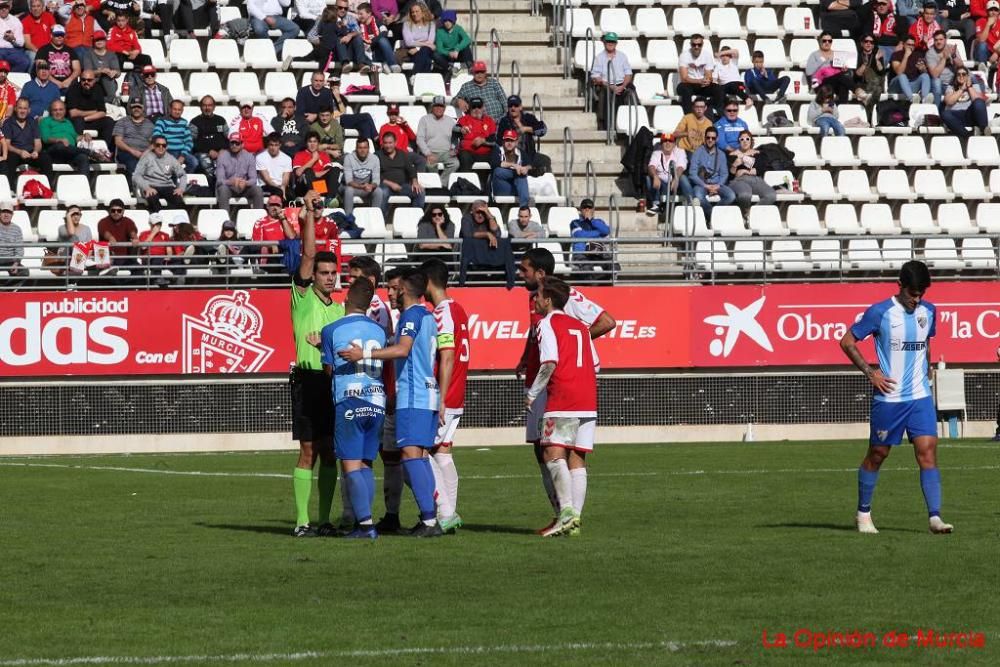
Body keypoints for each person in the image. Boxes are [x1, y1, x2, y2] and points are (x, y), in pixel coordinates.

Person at [838, 260, 953, 535]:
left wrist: (925, 367)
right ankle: (863, 514)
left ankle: (935, 517)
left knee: (927, 452)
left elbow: (925, 341)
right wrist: (870, 372)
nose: (917, 298)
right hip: (889, 399)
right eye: (913, 292)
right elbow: (847, 341)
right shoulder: (880, 312)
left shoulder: (930, 311)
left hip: (920, 397)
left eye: (921, 293)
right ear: (900, 286)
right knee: (878, 454)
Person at [339, 269, 444, 537]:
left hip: (414, 395)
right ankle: (431, 517)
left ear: (405, 291)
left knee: (410, 457)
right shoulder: (428, 316)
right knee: (418, 457)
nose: (391, 293)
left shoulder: (410, 316)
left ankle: (430, 520)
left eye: (395, 289)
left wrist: (363, 353)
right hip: (428, 393)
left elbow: (402, 350)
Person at [515, 248, 614, 533]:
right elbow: (537, 333)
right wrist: (525, 356)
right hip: (552, 380)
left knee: (555, 451)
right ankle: (567, 517)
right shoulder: (536, 302)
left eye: (525, 270)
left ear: (541, 274)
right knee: (550, 450)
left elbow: (607, 321)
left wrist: (575, 343)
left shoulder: (565, 297)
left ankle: (567, 514)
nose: (521, 275)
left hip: (558, 383)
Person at [287, 189, 344, 537]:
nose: (328, 276)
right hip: (307, 381)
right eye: (323, 272)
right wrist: (309, 213)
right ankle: (301, 521)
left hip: (332, 382)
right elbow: (307, 252)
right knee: (308, 450)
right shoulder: (303, 297)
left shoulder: (340, 310)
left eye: (331, 272)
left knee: (330, 453)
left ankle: (324, 520)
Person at [524, 276, 599, 536]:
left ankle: (565, 513)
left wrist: (533, 393)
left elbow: (549, 363)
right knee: (577, 458)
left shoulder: (546, 324)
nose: (535, 299)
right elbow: (596, 363)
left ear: (548, 299)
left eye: (539, 295)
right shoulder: (580, 326)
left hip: (563, 397)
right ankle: (574, 520)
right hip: (588, 397)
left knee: (552, 455)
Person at [318, 278, 386, 539]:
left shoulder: (331, 329)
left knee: (350, 466)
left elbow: (329, 370)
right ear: (369, 305)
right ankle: (364, 521)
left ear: (346, 298)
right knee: (366, 465)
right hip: (377, 400)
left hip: (350, 399)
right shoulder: (379, 330)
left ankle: (366, 526)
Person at [420, 257, 467, 532]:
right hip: (456, 393)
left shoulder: (441, 313)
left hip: (444, 394)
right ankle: (450, 512)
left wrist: (440, 397)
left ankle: (446, 512)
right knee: (443, 452)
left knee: (418, 451)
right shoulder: (458, 309)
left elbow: (447, 357)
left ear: (428, 282)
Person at [688, 126, 735, 221]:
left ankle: (714, 214)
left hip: (717, 184)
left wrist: (718, 185)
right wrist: (705, 186)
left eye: (713, 138)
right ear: (704, 138)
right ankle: (712, 215)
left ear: (716, 139)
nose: (710, 140)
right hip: (702, 184)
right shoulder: (698, 152)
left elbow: (724, 174)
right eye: (708, 137)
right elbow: (692, 173)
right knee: (698, 196)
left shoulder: (721, 154)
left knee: (731, 196)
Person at [494, 94, 548, 174]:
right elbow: (499, 141)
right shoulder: (504, 121)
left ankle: (533, 174)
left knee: (545, 160)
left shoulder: (528, 118)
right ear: (507, 108)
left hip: (529, 153)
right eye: (510, 106)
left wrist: (526, 129)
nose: (513, 108)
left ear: (520, 107)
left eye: (516, 105)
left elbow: (543, 130)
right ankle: (530, 171)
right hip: (512, 155)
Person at [373, 130, 423, 216]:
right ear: (382, 143)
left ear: (395, 143)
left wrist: (415, 181)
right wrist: (391, 184)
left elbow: (411, 170)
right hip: (385, 185)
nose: (388, 145)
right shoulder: (377, 155)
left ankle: (415, 219)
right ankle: (381, 220)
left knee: (420, 192)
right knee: (383, 192)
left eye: (390, 143)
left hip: (402, 186)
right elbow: (375, 174)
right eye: (385, 143)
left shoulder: (402, 154)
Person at [2, 97, 52, 181]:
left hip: (30, 153)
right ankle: (10, 189)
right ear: (15, 109)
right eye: (20, 108)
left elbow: (38, 143)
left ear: (29, 110)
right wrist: (20, 152)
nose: (22, 111)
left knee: (45, 158)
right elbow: (7, 144)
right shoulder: (8, 123)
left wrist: (36, 151)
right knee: (10, 160)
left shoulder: (32, 122)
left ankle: (49, 188)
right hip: (15, 152)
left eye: (25, 108)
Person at [133, 135, 187, 212]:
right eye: (158, 145)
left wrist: (181, 188)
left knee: (179, 201)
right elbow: (136, 175)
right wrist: (146, 187)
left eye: (163, 145)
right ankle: (160, 220)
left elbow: (182, 174)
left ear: (167, 147)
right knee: (153, 200)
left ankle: (173, 221)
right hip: (151, 185)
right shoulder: (146, 157)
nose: (161, 147)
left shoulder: (171, 158)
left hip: (167, 185)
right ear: (153, 146)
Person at [589, 31, 633, 124]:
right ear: (604, 42)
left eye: (612, 41)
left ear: (616, 43)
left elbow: (628, 74)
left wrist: (623, 86)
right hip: (606, 85)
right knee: (606, 93)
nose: (610, 43)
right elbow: (595, 77)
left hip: (621, 84)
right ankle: (607, 124)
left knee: (631, 92)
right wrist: (610, 86)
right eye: (608, 41)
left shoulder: (622, 56)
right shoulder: (599, 57)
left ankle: (630, 122)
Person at [39, 98, 92, 175]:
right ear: (51, 111)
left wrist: (85, 135)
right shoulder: (45, 121)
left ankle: (83, 185)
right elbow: (45, 138)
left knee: (83, 158)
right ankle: (90, 153)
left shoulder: (68, 122)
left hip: (70, 153)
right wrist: (58, 140)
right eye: (55, 110)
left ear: (65, 111)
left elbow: (75, 137)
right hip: (54, 153)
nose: (58, 112)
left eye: (60, 110)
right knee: (60, 145)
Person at [216, 132, 265, 216]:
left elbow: (253, 179)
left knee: (258, 190)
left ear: (242, 144)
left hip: (244, 187)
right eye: (232, 143)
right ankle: (225, 220)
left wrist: (245, 183)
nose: (234, 145)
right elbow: (219, 180)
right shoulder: (222, 156)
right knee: (223, 189)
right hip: (228, 188)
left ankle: (258, 220)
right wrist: (231, 182)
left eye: (237, 143)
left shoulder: (249, 157)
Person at [728, 130, 777, 214]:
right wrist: (734, 165)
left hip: (755, 180)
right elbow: (730, 176)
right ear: (739, 141)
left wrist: (744, 171)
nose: (745, 141)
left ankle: (751, 214)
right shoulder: (733, 155)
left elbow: (759, 170)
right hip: (739, 180)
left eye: (747, 139)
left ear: (751, 140)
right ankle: (745, 212)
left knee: (771, 195)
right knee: (745, 195)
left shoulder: (758, 154)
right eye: (742, 139)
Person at [65, 68, 114, 145]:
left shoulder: (98, 89)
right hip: (76, 121)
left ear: (94, 80)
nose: (86, 82)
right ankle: (79, 148)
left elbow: (102, 112)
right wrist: (94, 112)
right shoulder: (73, 89)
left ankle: (104, 149)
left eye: (89, 80)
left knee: (109, 121)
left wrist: (85, 118)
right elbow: (73, 113)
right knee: (78, 120)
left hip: (90, 120)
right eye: (83, 80)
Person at [676, 34, 722, 116]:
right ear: (691, 44)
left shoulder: (707, 55)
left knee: (718, 88)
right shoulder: (684, 55)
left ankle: (717, 113)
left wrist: (707, 80)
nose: (696, 47)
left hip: (701, 84)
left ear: (702, 45)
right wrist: (699, 81)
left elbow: (709, 74)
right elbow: (684, 78)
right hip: (687, 84)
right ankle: (688, 117)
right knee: (686, 90)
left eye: (699, 45)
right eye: (694, 44)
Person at [646, 133, 691, 215]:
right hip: (661, 185)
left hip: (675, 185)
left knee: (683, 178)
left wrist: (676, 178)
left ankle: (691, 202)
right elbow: (651, 166)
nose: (667, 143)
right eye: (665, 141)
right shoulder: (657, 153)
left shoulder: (680, 152)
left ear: (674, 143)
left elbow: (680, 167)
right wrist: (655, 176)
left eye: (670, 141)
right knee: (649, 178)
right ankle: (656, 205)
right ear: (661, 144)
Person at [416, 95, 458, 181]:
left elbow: (456, 138)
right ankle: (434, 184)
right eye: (436, 106)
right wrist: (428, 153)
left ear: (444, 108)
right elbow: (419, 139)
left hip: (446, 153)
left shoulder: (451, 121)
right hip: (430, 152)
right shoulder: (424, 120)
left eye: (441, 106)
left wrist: (454, 148)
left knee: (455, 163)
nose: (439, 108)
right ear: (432, 107)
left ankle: (441, 184)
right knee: (429, 165)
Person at [321, 0, 370, 73]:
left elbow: (358, 31)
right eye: (340, 8)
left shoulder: (350, 18)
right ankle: (345, 63)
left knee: (357, 38)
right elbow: (311, 35)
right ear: (335, 7)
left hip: (348, 51)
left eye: (345, 8)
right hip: (333, 51)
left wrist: (349, 35)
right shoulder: (328, 17)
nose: (343, 10)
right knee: (339, 37)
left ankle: (361, 64)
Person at [806, 32, 854, 103]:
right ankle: (857, 91)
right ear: (820, 41)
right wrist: (822, 60)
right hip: (820, 84)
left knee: (843, 85)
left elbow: (841, 71)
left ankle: (842, 107)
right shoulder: (814, 55)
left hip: (835, 82)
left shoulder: (837, 54)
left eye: (829, 41)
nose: (827, 43)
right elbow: (808, 72)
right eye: (824, 41)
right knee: (840, 77)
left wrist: (844, 70)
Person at [293, 131, 342, 200]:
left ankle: (330, 199)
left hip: (321, 186)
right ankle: (314, 199)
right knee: (308, 171)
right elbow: (298, 173)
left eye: (315, 142)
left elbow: (328, 171)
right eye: (310, 142)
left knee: (336, 169)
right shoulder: (299, 155)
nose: (312, 144)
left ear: (318, 143)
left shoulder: (323, 155)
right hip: (305, 188)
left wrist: (314, 174)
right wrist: (313, 159)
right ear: (306, 143)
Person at [190, 95, 228, 183]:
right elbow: (192, 142)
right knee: (206, 162)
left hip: (221, 152)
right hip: (202, 153)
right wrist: (208, 151)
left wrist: (224, 149)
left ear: (214, 107)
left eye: (210, 105)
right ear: (200, 107)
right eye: (204, 105)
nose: (207, 108)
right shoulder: (195, 122)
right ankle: (212, 188)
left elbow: (228, 138)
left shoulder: (221, 120)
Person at [107, 12, 153, 85]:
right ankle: (119, 81)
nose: (121, 23)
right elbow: (109, 45)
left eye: (123, 21)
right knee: (117, 57)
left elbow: (137, 45)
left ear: (127, 20)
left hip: (129, 54)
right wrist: (123, 51)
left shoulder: (132, 31)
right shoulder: (112, 30)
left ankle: (149, 79)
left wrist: (136, 52)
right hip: (119, 54)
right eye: (119, 21)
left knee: (146, 58)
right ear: (116, 21)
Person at [941, 66, 989, 137]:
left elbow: (979, 101)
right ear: (955, 77)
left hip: (971, 114)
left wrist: (969, 87)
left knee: (979, 102)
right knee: (945, 114)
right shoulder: (951, 88)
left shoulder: (974, 86)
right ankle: (968, 135)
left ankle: (983, 130)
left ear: (967, 76)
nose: (961, 76)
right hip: (957, 116)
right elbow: (949, 102)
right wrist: (962, 89)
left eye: (964, 74)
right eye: (958, 74)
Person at [113, 100, 153, 183]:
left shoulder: (150, 124)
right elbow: (118, 141)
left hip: (145, 153)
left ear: (143, 109)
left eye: (139, 107)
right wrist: (133, 151)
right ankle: (134, 189)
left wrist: (145, 153)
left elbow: (154, 143)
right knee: (132, 162)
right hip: (126, 152)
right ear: (130, 109)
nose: (136, 109)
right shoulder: (122, 122)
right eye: (134, 107)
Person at [154, 99, 197, 174]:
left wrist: (183, 155)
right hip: (167, 151)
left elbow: (189, 142)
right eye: (175, 109)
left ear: (182, 111)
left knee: (194, 162)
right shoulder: (162, 121)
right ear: (170, 109)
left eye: (179, 110)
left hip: (181, 151)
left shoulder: (184, 122)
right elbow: (156, 136)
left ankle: (183, 178)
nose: (177, 112)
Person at [378, 103, 425, 170]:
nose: (393, 116)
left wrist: (405, 124)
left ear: (398, 114)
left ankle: (417, 178)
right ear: (388, 114)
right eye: (391, 114)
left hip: (405, 154)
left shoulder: (403, 126)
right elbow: (382, 144)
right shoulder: (384, 127)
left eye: (395, 114)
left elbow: (413, 137)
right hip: (391, 154)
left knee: (421, 160)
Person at [328, 76, 378, 140]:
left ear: (339, 84)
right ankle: (376, 137)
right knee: (366, 116)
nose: (334, 86)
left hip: (341, 119)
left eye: (336, 83)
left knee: (365, 125)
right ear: (329, 84)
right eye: (332, 84)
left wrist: (337, 97)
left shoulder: (341, 97)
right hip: (334, 121)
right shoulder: (325, 94)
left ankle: (366, 145)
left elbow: (343, 111)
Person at [356, 2, 400, 72]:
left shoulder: (378, 22)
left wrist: (372, 41)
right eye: (358, 14)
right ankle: (383, 65)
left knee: (382, 40)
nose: (359, 16)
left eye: (361, 14)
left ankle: (392, 64)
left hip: (378, 52)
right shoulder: (358, 24)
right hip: (367, 54)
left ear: (369, 13)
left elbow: (384, 32)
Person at [96, 198, 139, 271]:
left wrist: (135, 238)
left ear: (123, 211)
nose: (116, 212)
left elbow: (132, 231)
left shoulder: (128, 221)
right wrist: (110, 237)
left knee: (139, 270)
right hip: (107, 259)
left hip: (124, 259)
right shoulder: (103, 222)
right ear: (109, 211)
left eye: (119, 210)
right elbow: (104, 231)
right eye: (113, 210)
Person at [456, 96, 496, 171]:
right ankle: (465, 181)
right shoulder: (463, 120)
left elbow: (493, 139)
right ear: (469, 108)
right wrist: (460, 129)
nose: (477, 109)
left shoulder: (489, 120)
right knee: (464, 156)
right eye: (474, 107)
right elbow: (455, 132)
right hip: (468, 153)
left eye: (479, 106)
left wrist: (483, 141)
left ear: (483, 107)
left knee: (497, 156)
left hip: (486, 153)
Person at [890, 35, 934, 103]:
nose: (911, 47)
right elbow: (899, 72)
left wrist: (922, 69)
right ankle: (911, 100)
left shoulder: (918, 55)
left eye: (913, 45)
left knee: (925, 76)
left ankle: (925, 100)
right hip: (897, 85)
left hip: (911, 84)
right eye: (909, 44)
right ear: (903, 45)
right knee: (902, 76)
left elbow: (925, 72)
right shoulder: (896, 55)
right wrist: (906, 56)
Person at [569, 198, 610, 269]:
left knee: (613, 266)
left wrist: (591, 220)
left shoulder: (598, 221)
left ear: (593, 210)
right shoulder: (575, 222)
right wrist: (599, 233)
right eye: (584, 207)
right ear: (580, 210)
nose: (587, 209)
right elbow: (579, 235)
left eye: (589, 207)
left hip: (598, 252)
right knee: (587, 267)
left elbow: (606, 231)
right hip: (581, 253)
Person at [342, 136, 379, 214]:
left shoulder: (375, 158)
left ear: (369, 148)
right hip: (353, 187)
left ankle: (375, 216)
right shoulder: (349, 158)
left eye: (365, 148)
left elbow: (376, 180)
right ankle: (348, 219)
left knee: (379, 191)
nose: (362, 150)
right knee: (348, 190)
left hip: (367, 187)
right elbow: (348, 181)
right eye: (360, 148)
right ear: (356, 148)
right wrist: (361, 186)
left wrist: (371, 186)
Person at [36, 24, 80, 90]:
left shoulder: (70, 50)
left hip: (68, 84)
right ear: (51, 35)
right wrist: (56, 82)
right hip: (49, 83)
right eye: (56, 35)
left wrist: (69, 80)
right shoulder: (43, 50)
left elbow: (77, 69)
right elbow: (40, 69)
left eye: (61, 35)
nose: (59, 37)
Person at [79, 30, 119, 101]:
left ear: (105, 41)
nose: (99, 42)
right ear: (94, 42)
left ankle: (111, 100)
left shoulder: (112, 54)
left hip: (108, 83)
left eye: (101, 39)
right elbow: (87, 72)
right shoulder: (88, 55)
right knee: (103, 76)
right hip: (93, 82)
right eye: (97, 40)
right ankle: (107, 100)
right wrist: (101, 71)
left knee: (106, 78)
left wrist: (114, 72)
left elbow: (118, 72)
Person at [493, 128, 529, 206]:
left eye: (512, 141)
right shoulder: (497, 151)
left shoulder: (521, 153)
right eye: (507, 140)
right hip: (500, 187)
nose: (509, 143)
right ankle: (525, 208)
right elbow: (495, 163)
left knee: (521, 176)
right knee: (498, 171)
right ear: (503, 142)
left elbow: (529, 165)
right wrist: (514, 165)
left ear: (516, 142)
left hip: (516, 188)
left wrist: (525, 169)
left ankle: (523, 209)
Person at [925, 29, 961, 106]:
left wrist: (954, 56)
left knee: (969, 74)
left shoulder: (951, 48)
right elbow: (935, 75)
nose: (938, 42)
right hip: (940, 84)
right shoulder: (930, 53)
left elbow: (961, 67)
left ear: (945, 40)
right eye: (936, 40)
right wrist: (944, 58)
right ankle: (936, 111)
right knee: (936, 81)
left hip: (953, 82)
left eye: (941, 39)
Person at [137, 212, 173, 287]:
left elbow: (169, 249)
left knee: (164, 259)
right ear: (150, 224)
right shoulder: (144, 234)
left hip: (162, 260)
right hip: (148, 259)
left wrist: (169, 256)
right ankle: (157, 278)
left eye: (160, 223)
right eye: (156, 224)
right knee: (156, 257)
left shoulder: (165, 235)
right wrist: (153, 233)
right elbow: (143, 247)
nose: (158, 226)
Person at [432, 8, 472, 76]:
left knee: (466, 47)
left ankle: (469, 67)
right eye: (445, 21)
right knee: (436, 55)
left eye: (449, 20)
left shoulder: (458, 28)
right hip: (446, 56)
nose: (447, 23)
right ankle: (450, 69)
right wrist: (448, 53)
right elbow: (440, 48)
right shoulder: (440, 31)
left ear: (453, 21)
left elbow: (467, 39)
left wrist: (457, 49)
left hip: (457, 54)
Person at [400, 0, 435, 73]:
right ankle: (421, 81)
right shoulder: (407, 24)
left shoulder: (431, 25)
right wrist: (425, 44)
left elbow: (430, 41)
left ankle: (414, 75)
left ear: (423, 12)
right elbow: (409, 42)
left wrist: (417, 48)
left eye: (417, 11)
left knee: (425, 51)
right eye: (412, 12)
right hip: (411, 53)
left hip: (422, 51)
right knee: (427, 60)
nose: (414, 14)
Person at [257, 132, 293, 199]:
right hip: (265, 186)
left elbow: (286, 178)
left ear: (280, 145)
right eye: (271, 145)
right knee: (279, 192)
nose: (273, 148)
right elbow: (267, 179)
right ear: (268, 145)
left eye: (276, 145)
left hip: (281, 186)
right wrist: (278, 188)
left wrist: (283, 186)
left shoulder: (287, 158)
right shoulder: (260, 157)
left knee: (291, 195)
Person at [854, 34, 888, 104]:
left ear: (873, 45)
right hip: (862, 84)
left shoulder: (877, 55)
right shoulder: (857, 56)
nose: (869, 43)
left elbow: (882, 72)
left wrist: (877, 60)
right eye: (866, 41)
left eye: (871, 42)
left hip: (875, 84)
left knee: (878, 89)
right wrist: (864, 64)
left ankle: (870, 106)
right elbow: (857, 75)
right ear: (862, 43)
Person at [0, 2, 30, 73]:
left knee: (24, 62)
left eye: (6, 7)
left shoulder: (16, 21)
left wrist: (13, 39)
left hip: (13, 50)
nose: (4, 9)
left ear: (9, 7)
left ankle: (9, 78)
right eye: (1, 7)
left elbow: (21, 43)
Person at [0, 200, 27, 278]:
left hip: (11, 262)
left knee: (24, 272)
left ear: (12, 214)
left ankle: (6, 290)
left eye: (9, 212)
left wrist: (16, 264)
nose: (6, 215)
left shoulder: (17, 229)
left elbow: (19, 250)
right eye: (3, 212)